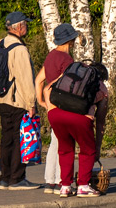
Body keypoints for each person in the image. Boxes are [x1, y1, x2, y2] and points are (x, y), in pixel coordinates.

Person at [36, 23, 106, 198]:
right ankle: (82, 185)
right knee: (86, 149)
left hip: (55, 112)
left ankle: (64, 186)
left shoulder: (50, 56)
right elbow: (58, 84)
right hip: (72, 110)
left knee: (63, 149)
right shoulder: (68, 61)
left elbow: (39, 81)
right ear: (70, 41)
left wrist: (44, 103)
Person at [0, 11, 38, 190]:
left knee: (6, 140)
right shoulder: (20, 49)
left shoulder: (0, 44)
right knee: (21, 139)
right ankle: (17, 179)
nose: (27, 27)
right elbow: (25, 78)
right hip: (18, 101)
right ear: (19, 27)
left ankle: (4, 178)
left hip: (2, 99)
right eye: (25, 24)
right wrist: (31, 103)